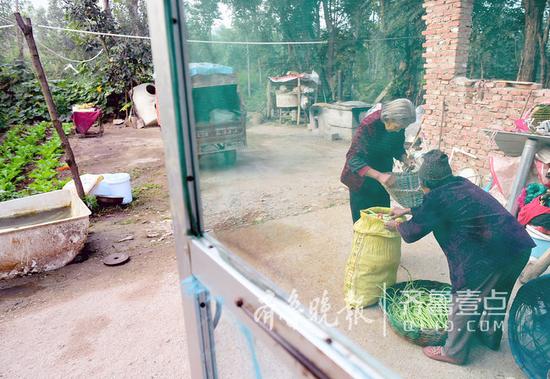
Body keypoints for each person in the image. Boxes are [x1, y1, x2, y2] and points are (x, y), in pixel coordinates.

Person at [385, 150, 534, 365]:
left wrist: (397, 225)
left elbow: (411, 233)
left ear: (424, 181)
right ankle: (490, 337)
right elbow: (439, 207)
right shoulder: (459, 184)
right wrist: (407, 210)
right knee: (497, 293)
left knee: (466, 297)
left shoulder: (436, 198)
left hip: (490, 254)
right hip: (517, 245)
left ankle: (454, 351)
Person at [341, 98, 417, 223]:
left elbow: (397, 146)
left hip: (384, 179)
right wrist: (379, 176)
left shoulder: (398, 123)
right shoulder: (369, 124)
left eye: (402, 128)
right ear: (388, 118)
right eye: (398, 127)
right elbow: (352, 158)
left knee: (383, 220)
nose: (399, 130)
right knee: (363, 223)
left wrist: (405, 159)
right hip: (361, 180)